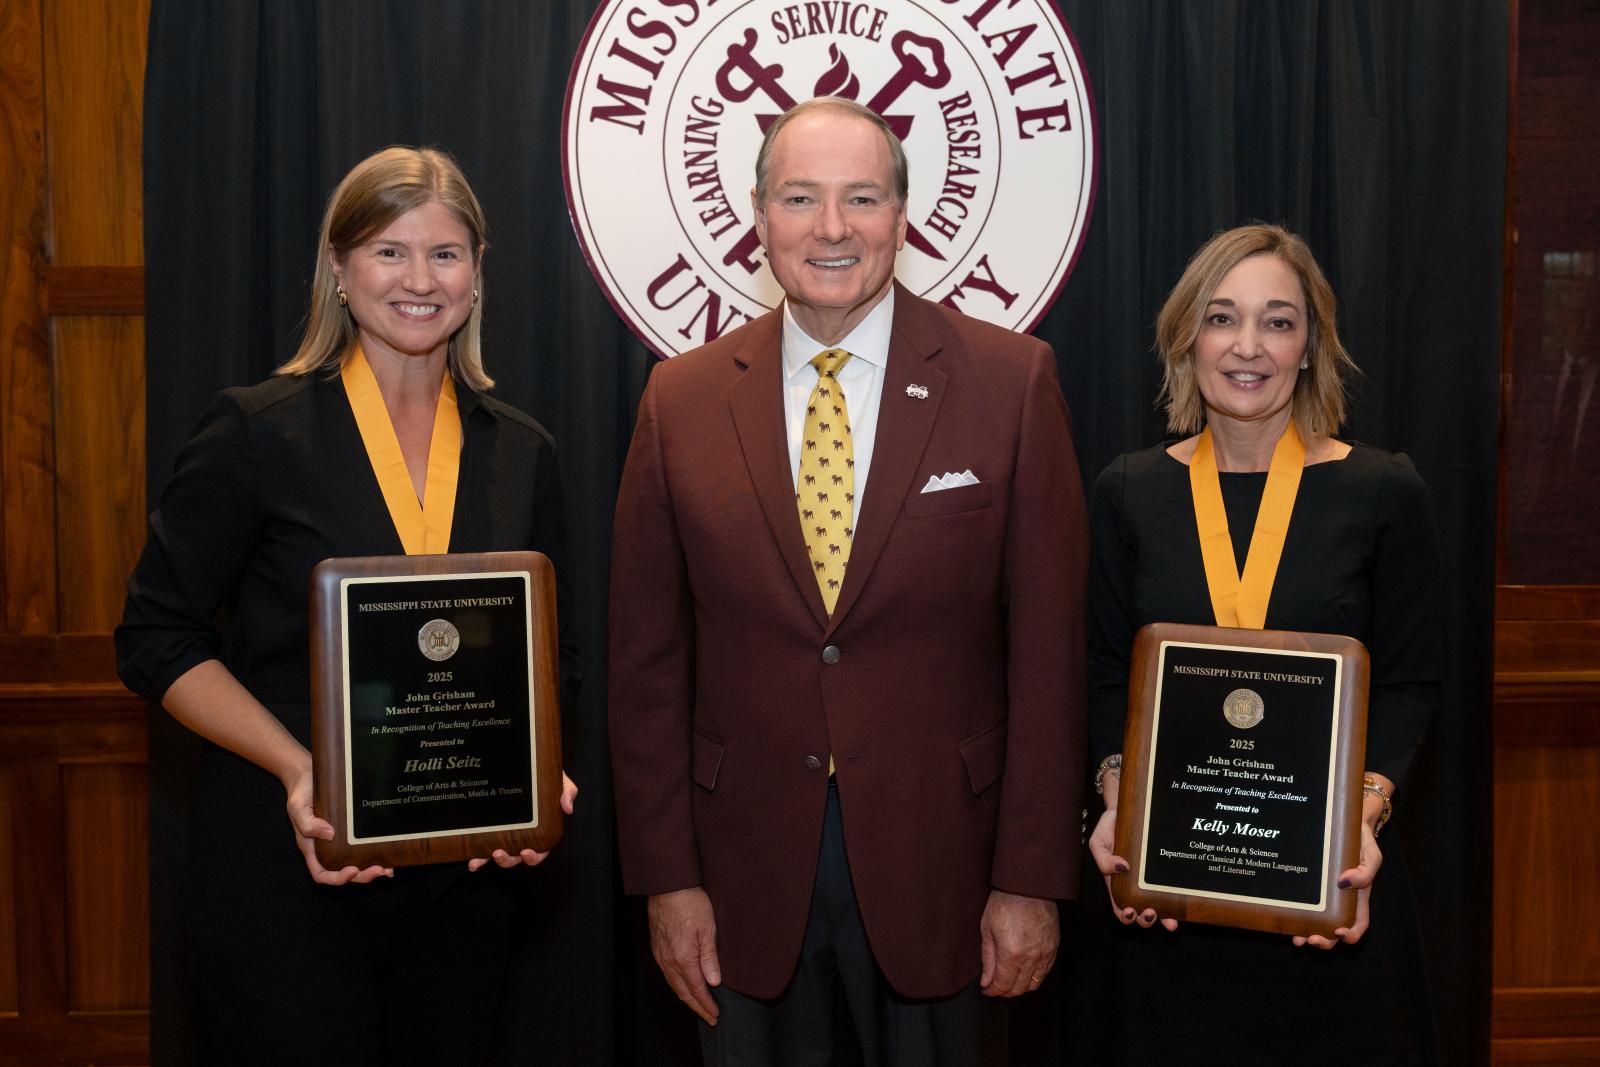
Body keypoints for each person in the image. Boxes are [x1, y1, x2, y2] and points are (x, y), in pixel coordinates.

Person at [608, 96, 1087, 1065]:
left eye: (860, 198)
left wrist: (1030, 877)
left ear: (902, 218)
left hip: (945, 873)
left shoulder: (1010, 384)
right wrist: (668, 879)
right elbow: (645, 667)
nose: (831, 228)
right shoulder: (680, 398)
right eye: (800, 198)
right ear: (757, 216)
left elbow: (1049, 655)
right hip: (739, 877)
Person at [115, 146, 580, 1064]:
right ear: (338, 267)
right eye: (388, 251)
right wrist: (299, 773)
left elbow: (548, 656)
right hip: (290, 868)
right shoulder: (255, 431)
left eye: (445, 254)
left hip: (466, 883)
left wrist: (538, 775)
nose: (419, 279)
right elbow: (156, 638)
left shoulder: (523, 450)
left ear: (478, 274)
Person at [1085, 223, 1440, 1064]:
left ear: (1311, 344)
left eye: (1278, 321)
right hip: (1166, 916)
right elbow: (1104, 671)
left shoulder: (1383, 488)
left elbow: (1411, 680)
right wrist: (1115, 804)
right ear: (1187, 338)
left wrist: (1360, 818)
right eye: (1222, 318)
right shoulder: (1129, 490)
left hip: (1324, 900)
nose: (1249, 346)